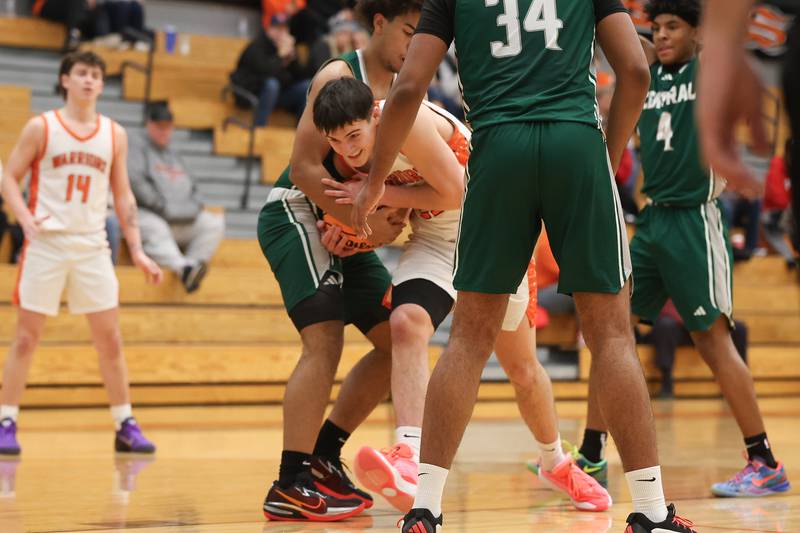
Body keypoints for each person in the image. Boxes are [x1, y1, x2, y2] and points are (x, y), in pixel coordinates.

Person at [350, 0, 700, 531]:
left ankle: (425, 507)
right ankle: (651, 511)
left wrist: (375, 180)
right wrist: (605, 157)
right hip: (575, 140)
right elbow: (634, 69)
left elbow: (407, 87)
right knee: (610, 335)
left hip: (498, 149)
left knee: (468, 336)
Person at [316, 77, 610, 513]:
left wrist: (376, 193)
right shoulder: (346, 151)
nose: (349, 150)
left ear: (374, 117)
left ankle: (556, 461)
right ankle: (410, 455)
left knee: (524, 370)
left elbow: (457, 191)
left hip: (494, 226)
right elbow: (392, 218)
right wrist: (353, 233)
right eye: (336, 142)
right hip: (436, 236)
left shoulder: (407, 119)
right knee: (406, 321)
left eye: (355, 137)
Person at [257, 0, 423, 522]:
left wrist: (377, 225)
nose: (414, 46)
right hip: (296, 211)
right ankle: (290, 479)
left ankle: (325, 454)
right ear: (379, 22)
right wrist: (362, 223)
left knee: (398, 340)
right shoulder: (338, 73)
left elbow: (388, 202)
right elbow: (305, 167)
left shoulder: (400, 94)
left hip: (344, 224)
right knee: (324, 338)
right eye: (408, 32)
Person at [628, 0, 787, 497]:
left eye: (673, 26)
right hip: (652, 221)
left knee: (712, 341)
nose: (663, 36)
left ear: (699, 32)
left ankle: (764, 460)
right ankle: (590, 454)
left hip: (695, 220)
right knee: (613, 334)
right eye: (656, 29)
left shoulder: (708, 68)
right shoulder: (648, 75)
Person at [0, 51, 162, 456]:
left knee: (110, 340)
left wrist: (138, 250)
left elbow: (123, 195)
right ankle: (6, 420)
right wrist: (22, 216)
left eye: (96, 75)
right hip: (47, 243)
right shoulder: (42, 127)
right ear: (65, 80)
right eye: (82, 73)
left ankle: (125, 423)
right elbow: (7, 177)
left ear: (101, 85)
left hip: (92, 245)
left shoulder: (114, 134)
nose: (89, 80)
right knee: (25, 339)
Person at [128, 102, 225, 294]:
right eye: (159, 127)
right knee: (153, 226)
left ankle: (193, 267)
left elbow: (195, 189)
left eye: (168, 127)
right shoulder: (136, 149)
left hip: (181, 218)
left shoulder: (174, 155)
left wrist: (193, 208)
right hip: (153, 215)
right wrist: (163, 207)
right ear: (149, 124)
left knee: (213, 223)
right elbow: (136, 183)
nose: (164, 132)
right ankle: (184, 268)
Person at [230, 15, 312, 126]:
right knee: (272, 84)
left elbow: (300, 76)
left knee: (306, 86)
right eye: (277, 28)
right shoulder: (256, 46)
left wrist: (293, 58)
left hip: (277, 95)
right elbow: (264, 72)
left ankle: (300, 131)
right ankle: (259, 127)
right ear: (269, 29)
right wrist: (280, 56)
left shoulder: (286, 48)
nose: (281, 33)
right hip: (252, 93)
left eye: (284, 29)